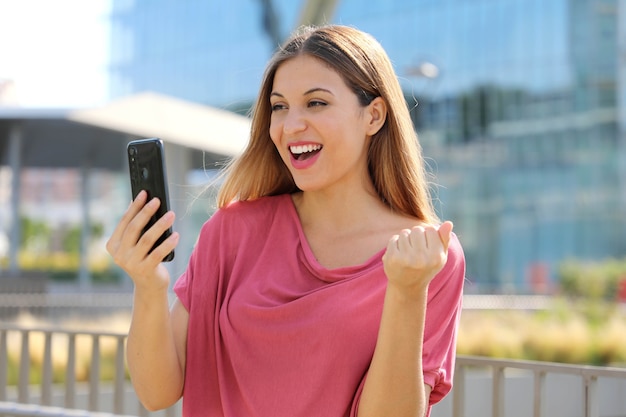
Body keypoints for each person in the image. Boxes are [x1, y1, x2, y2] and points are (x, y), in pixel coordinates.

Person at [107, 24, 465, 417]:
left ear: (374, 116)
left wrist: (407, 292)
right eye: (279, 107)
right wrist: (148, 284)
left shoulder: (427, 257)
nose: (290, 126)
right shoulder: (232, 232)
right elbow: (156, 392)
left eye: (316, 103)